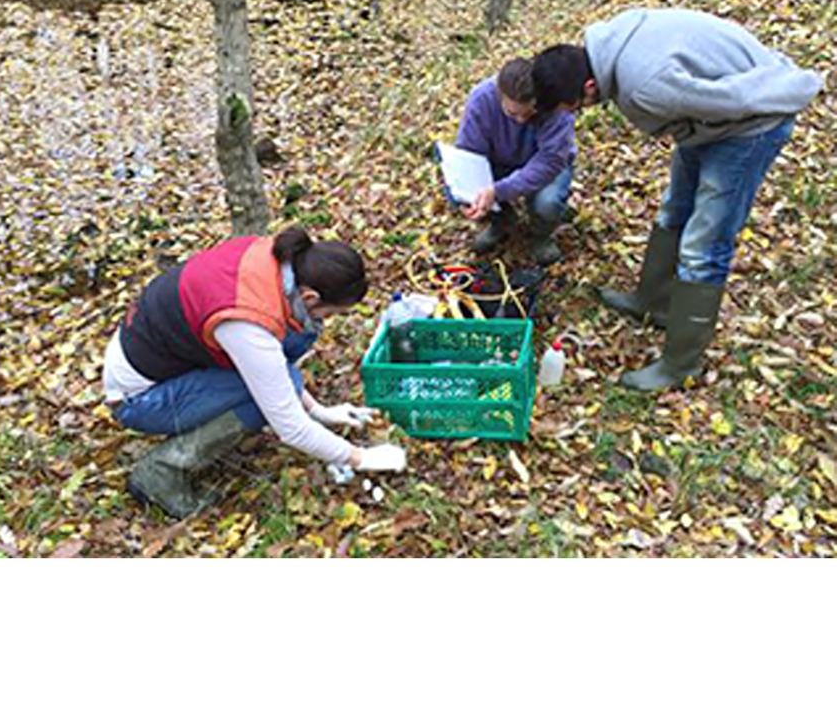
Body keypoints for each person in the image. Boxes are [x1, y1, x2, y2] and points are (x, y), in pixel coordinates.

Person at [532, 8, 822, 391]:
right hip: (706, 126)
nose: (576, 115)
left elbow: (732, 100)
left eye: (573, 108)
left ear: (588, 87)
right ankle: (653, 301)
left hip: (751, 124)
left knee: (705, 242)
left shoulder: (644, 86)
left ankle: (680, 363)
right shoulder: (612, 41)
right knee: (674, 209)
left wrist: (790, 85)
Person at [103, 228, 407, 518]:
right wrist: (361, 458)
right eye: (331, 314)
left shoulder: (273, 257)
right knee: (258, 400)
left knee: (280, 373)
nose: (327, 320)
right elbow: (290, 428)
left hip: (167, 361)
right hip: (138, 399)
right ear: (311, 297)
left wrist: (320, 412)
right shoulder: (245, 321)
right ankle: (159, 473)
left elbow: (270, 366)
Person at [454, 57, 576, 264]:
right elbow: (469, 153)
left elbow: (550, 161)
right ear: (499, 95)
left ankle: (541, 235)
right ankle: (500, 221)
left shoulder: (556, 103)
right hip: (500, 161)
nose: (521, 120)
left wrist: (500, 190)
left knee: (547, 203)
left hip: (546, 165)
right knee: (466, 192)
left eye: (530, 113)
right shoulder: (481, 99)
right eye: (512, 113)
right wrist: (475, 194)